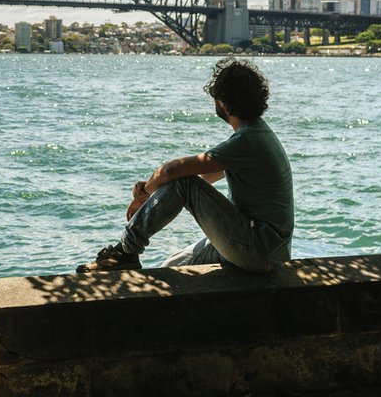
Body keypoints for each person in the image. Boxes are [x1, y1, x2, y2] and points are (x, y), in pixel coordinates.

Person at [77, 57, 293, 273]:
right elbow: (203, 182)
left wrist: (143, 194)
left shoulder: (247, 141)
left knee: (181, 180)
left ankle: (125, 252)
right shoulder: (257, 135)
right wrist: (156, 196)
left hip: (257, 250)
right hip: (266, 250)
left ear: (223, 103)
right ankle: (127, 253)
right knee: (171, 267)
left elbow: (174, 171)